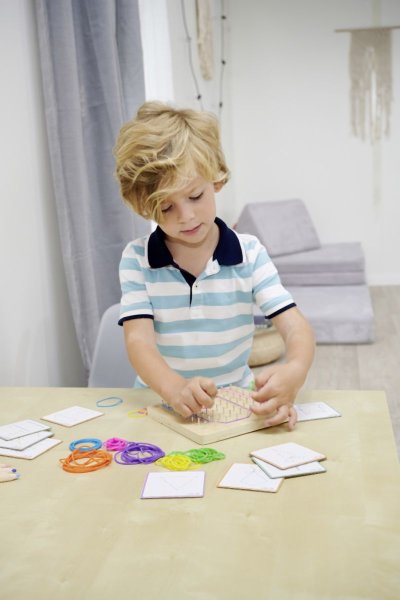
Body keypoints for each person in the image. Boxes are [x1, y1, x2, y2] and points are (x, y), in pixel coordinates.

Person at [113, 101, 315, 430]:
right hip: (159, 402)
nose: (187, 216)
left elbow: (296, 327)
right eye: (166, 207)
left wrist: (295, 370)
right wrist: (173, 388)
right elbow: (139, 342)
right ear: (145, 207)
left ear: (216, 180)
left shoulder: (250, 253)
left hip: (236, 403)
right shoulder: (136, 259)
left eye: (195, 196)